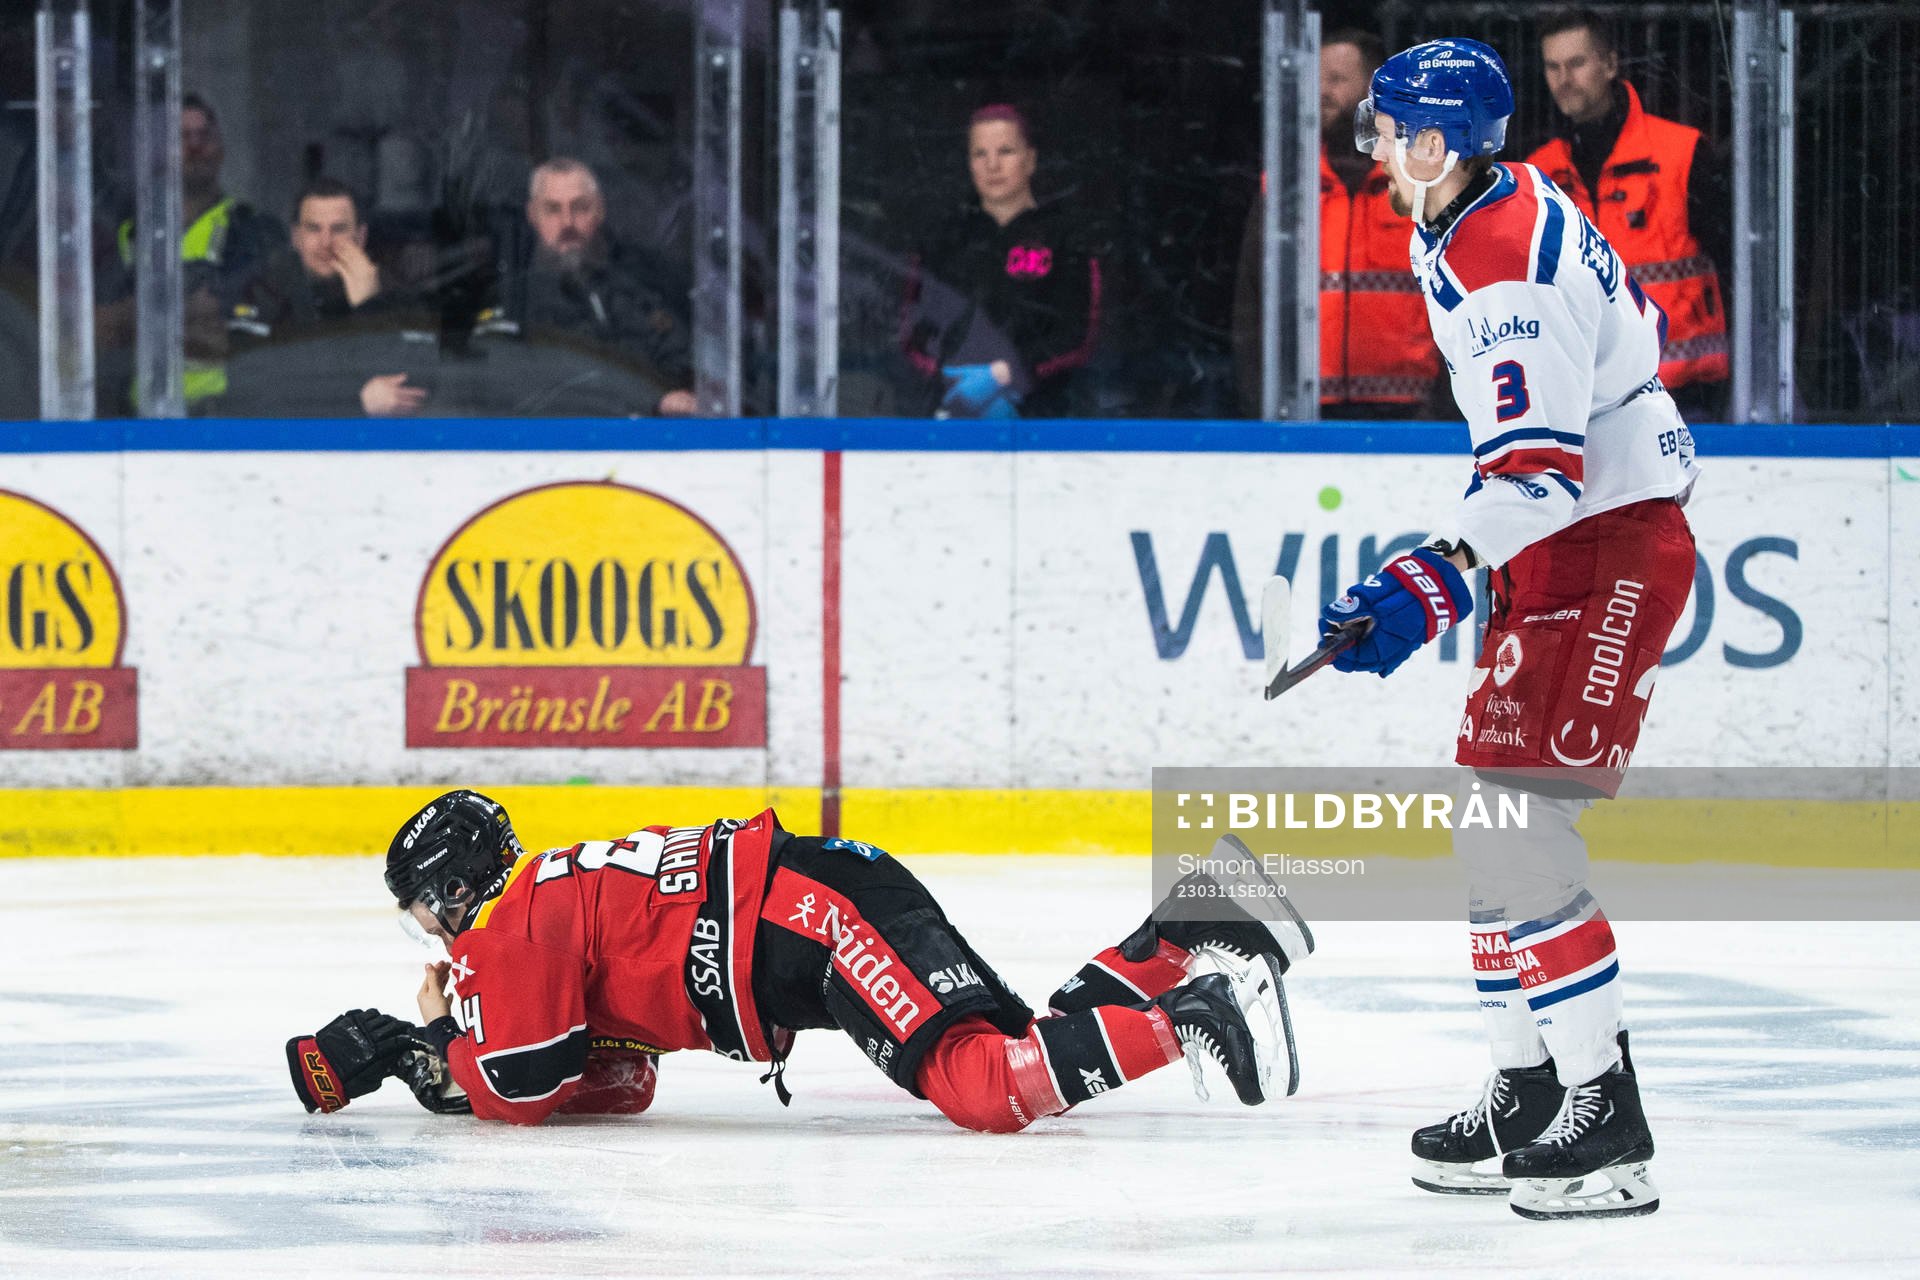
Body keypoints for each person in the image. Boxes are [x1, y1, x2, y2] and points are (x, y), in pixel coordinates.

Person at [1318, 38, 1697, 1219]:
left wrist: (1425, 581)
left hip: (1604, 539)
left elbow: (1541, 477)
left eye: (1386, 127)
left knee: (1523, 835)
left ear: (1435, 145)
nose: (1371, 144)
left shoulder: (1503, 272)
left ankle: (1606, 1117)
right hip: (1569, 540)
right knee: (1494, 824)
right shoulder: (1491, 196)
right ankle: (1530, 1086)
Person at [288, 793, 1314, 1132]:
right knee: (1018, 1047)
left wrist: (427, 1041)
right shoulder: (544, 894)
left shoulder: (507, 926)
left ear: (456, 886)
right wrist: (449, 1043)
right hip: (817, 899)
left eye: (426, 907)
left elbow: (521, 1082)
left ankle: (1199, 1010)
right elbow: (623, 1076)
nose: (432, 930)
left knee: (984, 1086)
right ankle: (1189, 927)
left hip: (809, 922)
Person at [1525, 8, 1730, 419]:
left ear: (1610, 64)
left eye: (1577, 63)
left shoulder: (1681, 153)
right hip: (1581, 397)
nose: (1564, 79)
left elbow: (1733, 268)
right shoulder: (1539, 174)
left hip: (1681, 394)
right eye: (1553, 67)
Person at [1232, 30, 1449, 418]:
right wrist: (1261, 399)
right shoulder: (1287, 184)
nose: (1322, 92)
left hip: (1410, 414)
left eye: (1336, 79)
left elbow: (1454, 297)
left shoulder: (1421, 182)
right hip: (1306, 406)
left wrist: (1447, 409)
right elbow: (1253, 300)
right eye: (1316, 79)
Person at [900, 105, 1101, 419]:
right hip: (950, 414)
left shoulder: (1065, 238)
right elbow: (912, 332)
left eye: (1005, 151)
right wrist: (950, 378)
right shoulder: (943, 239)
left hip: (1044, 419)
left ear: (1030, 159)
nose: (992, 165)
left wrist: (1006, 373)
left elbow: (1081, 337)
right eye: (980, 154)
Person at [98, 94, 282, 414]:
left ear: (221, 149)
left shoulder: (253, 230)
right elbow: (99, 327)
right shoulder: (131, 234)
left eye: (205, 136)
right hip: (138, 418)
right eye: (182, 137)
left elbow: (240, 316)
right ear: (160, 153)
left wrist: (139, 312)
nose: (195, 146)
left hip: (224, 416)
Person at [473, 158, 697, 417]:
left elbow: (681, 358)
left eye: (580, 208)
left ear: (600, 211)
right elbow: (514, 381)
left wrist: (670, 394)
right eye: (553, 209)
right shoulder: (509, 296)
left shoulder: (634, 287)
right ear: (532, 215)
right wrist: (648, 398)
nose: (567, 222)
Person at [225, 179, 428, 417]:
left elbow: (419, 383)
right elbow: (248, 389)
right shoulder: (261, 291)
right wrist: (354, 399)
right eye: (313, 228)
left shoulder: (394, 291)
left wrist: (370, 306)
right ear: (296, 237)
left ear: (360, 237)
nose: (325, 242)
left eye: (339, 229)